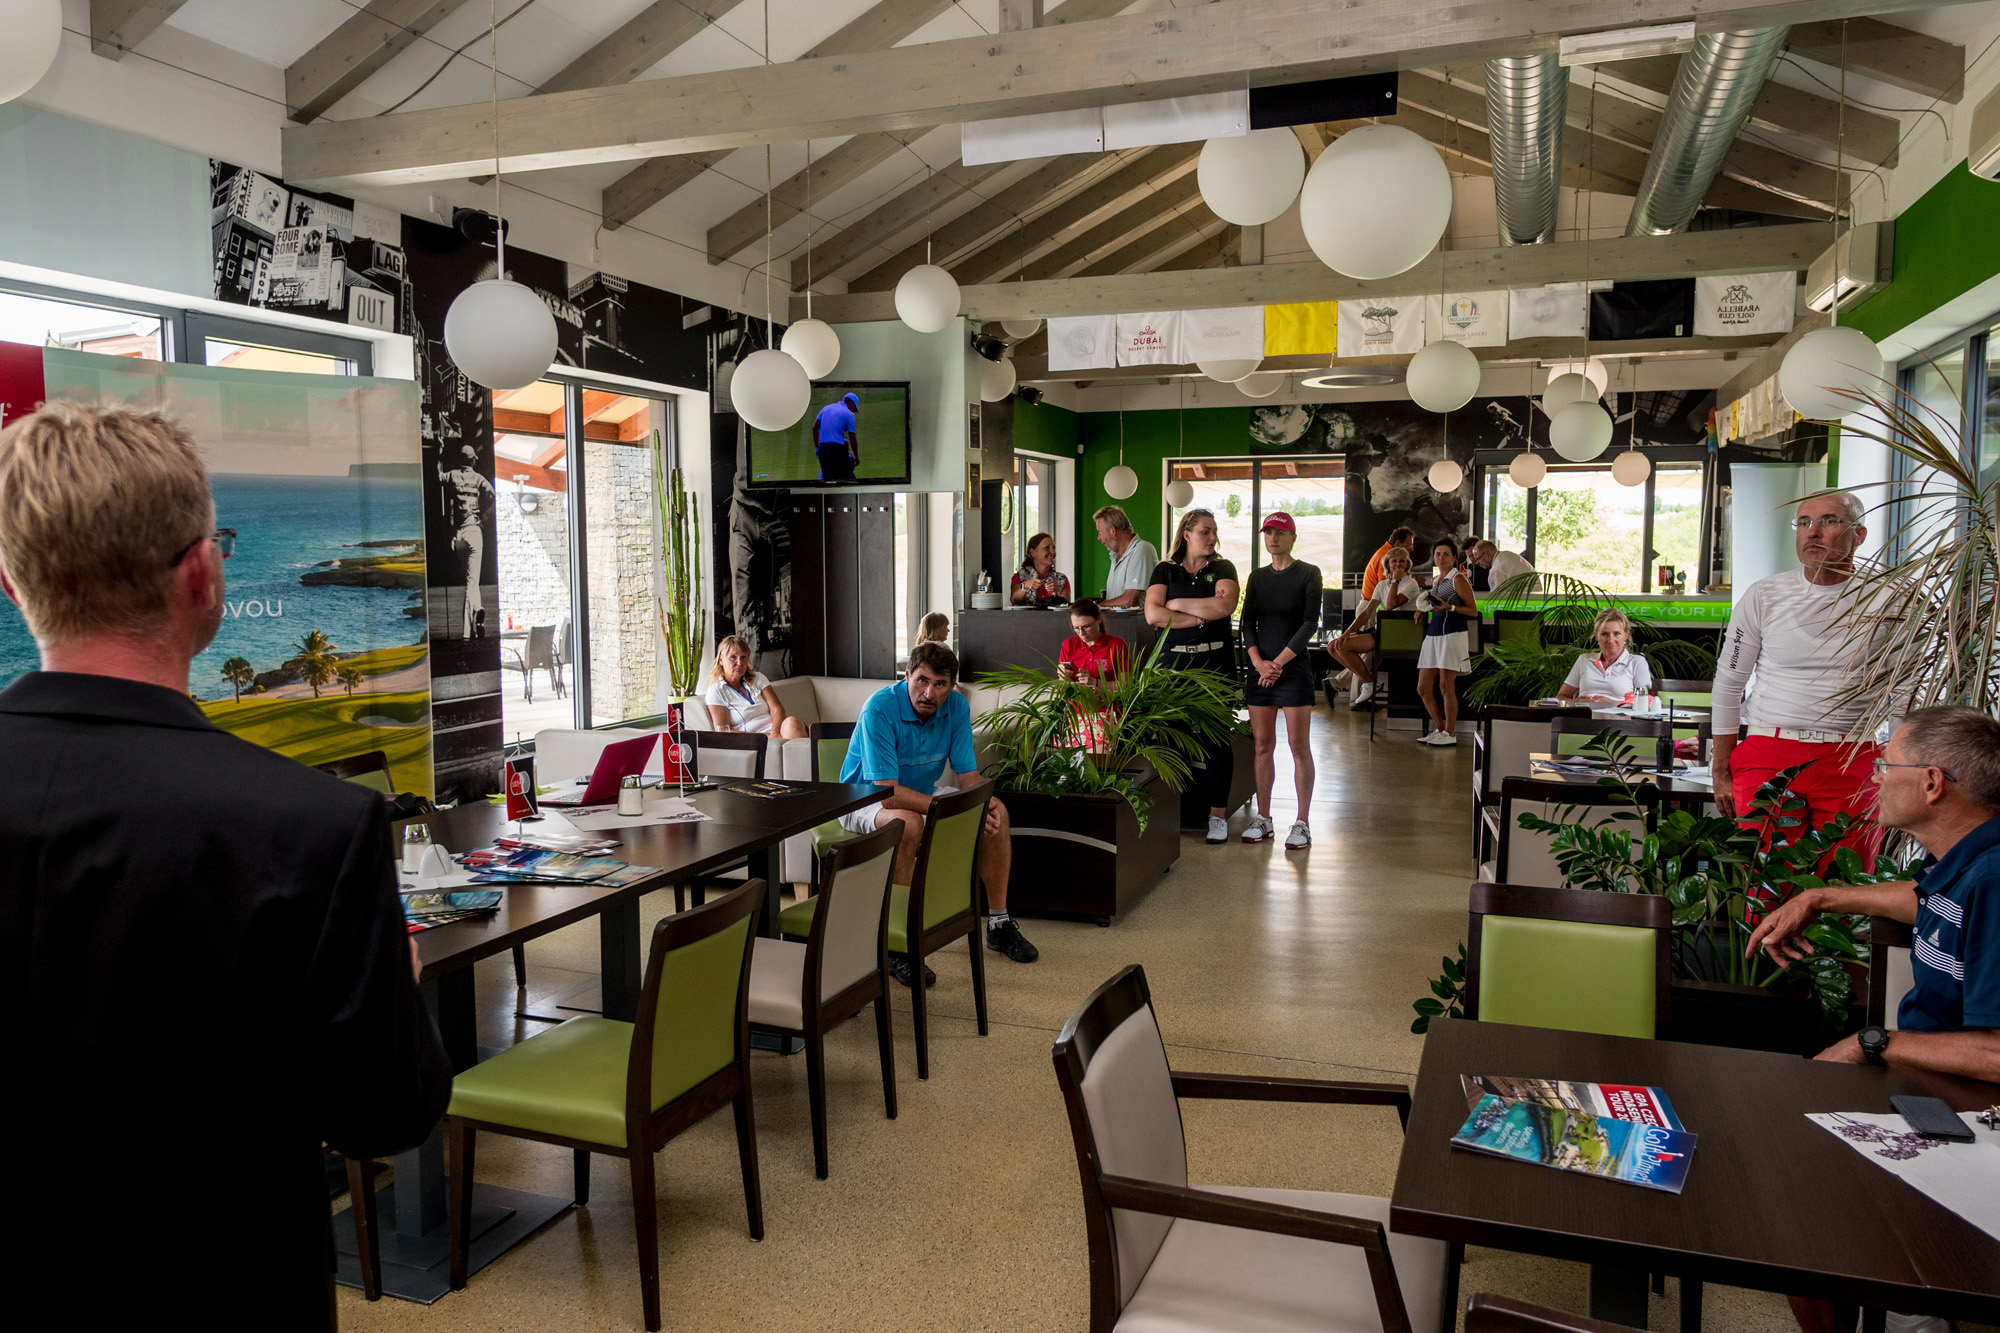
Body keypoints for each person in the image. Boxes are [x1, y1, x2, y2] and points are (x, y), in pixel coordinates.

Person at [0, 403, 452, 1323]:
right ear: (203, 573)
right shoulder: (312, 825)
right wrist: (392, 986)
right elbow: (384, 1114)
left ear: (14, 584)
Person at [1744, 707, 2000, 1333]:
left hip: (1971, 1108)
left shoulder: (1994, 879)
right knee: (1775, 1155)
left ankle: (1913, 1303)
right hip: (1931, 1087)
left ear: (1932, 783)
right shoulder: (1967, 860)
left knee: (1786, 1191)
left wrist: (1874, 1043)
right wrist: (1820, 897)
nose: (1875, 776)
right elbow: (1924, 900)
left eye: (1887, 765)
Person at [837, 641, 1038, 980]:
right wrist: (942, 808)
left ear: (952, 685)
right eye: (922, 681)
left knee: (995, 814)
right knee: (908, 825)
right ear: (907, 676)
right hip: (864, 797)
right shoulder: (879, 708)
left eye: (940, 684)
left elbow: (968, 778)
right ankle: (897, 945)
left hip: (922, 793)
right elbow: (886, 793)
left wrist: (982, 801)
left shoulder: (956, 707)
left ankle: (999, 923)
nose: (929, 693)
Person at [1711, 492, 1882, 841]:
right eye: (1804, 522)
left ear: (1859, 535)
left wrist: (1900, 767)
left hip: (1852, 755)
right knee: (1762, 871)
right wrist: (1721, 769)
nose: (1812, 532)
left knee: (1846, 871)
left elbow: (1908, 694)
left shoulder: (1890, 597)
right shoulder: (1763, 595)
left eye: (1828, 521)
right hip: (1768, 750)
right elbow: (1729, 684)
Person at [1146, 508, 1242, 844]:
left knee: (1216, 741)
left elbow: (1223, 607)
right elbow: (1151, 614)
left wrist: (1174, 604)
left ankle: (1217, 816)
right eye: (1205, 531)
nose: (1213, 537)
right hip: (1172, 666)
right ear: (1187, 534)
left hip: (1215, 665)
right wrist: (1200, 616)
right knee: (1172, 738)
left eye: (1214, 531)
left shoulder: (1223, 568)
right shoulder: (1164, 569)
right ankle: (1173, 813)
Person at [1239, 513, 1323, 849]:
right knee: (1262, 745)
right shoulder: (1257, 577)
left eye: (1280, 533)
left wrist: (1277, 664)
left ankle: (1302, 823)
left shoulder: (1308, 573)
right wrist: (1259, 663)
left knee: (1298, 747)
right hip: (1260, 671)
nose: (1273, 538)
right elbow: (1247, 624)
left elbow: (1309, 624)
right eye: (1268, 532)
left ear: (1292, 537)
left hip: (1293, 671)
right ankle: (1263, 818)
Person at [1330, 545, 1419, 710]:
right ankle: (1369, 682)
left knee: (1343, 647)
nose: (1398, 564)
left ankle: (1369, 682)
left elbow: (1391, 605)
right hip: (1383, 630)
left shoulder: (1411, 583)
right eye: (1394, 561)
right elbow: (1366, 612)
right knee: (1333, 646)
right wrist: (1347, 633)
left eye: (1402, 561)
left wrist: (1395, 580)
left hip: (1400, 634)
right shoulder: (1382, 584)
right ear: (1388, 564)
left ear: (1407, 564)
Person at [1415, 536, 1477, 747]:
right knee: (1423, 687)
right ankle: (1440, 730)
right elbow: (1436, 605)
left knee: (1445, 685)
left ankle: (1450, 733)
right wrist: (1423, 610)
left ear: (1454, 557)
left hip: (1453, 634)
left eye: (1445, 554)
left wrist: (1450, 607)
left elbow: (1473, 610)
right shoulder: (1436, 581)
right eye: (1438, 554)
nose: (1441, 558)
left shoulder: (1458, 578)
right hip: (1433, 634)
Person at [704, 633, 806, 739]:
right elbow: (723, 731)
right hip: (751, 740)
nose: (739, 663)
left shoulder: (757, 678)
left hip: (776, 733)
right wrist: (765, 737)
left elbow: (777, 709)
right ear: (721, 660)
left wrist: (775, 734)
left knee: (792, 722)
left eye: (743, 657)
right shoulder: (716, 691)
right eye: (733, 657)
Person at [1557, 608, 1653, 704]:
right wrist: (1576, 702)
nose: (1611, 640)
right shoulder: (1584, 660)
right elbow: (1561, 696)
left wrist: (1611, 703)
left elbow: (1645, 703)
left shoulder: (1637, 663)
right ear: (1596, 636)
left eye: (1617, 634)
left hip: (1619, 714)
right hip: (1584, 712)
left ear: (1626, 635)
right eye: (1604, 634)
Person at [1093, 505, 1160, 609]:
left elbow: (1129, 600)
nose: (1099, 537)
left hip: (1135, 620)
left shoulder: (1141, 549)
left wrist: (1097, 607)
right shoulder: (1115, 555)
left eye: (1100, 531)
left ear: (1112, 530)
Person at [1058, 599, 1131, 681]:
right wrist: (1062, 676)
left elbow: (1125, 685)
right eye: (1076, 628)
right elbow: (1063, 683)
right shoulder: (1068, 644)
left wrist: (1094, 683)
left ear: (1098, 619)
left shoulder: (1116, 645)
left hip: (1103, 690)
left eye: (1086, 626)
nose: (1081, 633)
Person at [1010, 531, 1071, 607]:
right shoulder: (1019, 576)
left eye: (1053, 548)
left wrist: (1056, 593)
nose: (1053, 552)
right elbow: (1014, 602)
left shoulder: (1062, 579)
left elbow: (1066, 608)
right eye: (1047, 548)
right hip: (1025, 615)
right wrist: (1024, 586)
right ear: (1033, 553)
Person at [812, 391, 860, 483]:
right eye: (854, 408)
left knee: (826, 480)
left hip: (823, 448)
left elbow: (814, 428)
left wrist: (817, 447)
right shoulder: (849, 414)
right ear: (851, 402)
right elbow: (852, 438)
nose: (853, 410)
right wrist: (857, 457)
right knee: (838, 479)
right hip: (837, 449)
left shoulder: (826, 408)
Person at [1360, 525, 1418, 601]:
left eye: (1402, 561)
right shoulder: (1386, 556)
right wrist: (1413, 584)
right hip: (1374, 603)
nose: (1411, 549)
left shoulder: (1384, 551)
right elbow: (1386, 589)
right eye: (1409, 545)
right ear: (1397, 543)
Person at [1468, 539, 1537, 594]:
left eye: (1478, 559)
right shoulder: (1507, 555)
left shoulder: (1497, 569)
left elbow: (1496, 598)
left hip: (1524, 601)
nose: (1477, 563)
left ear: (1488, 554)